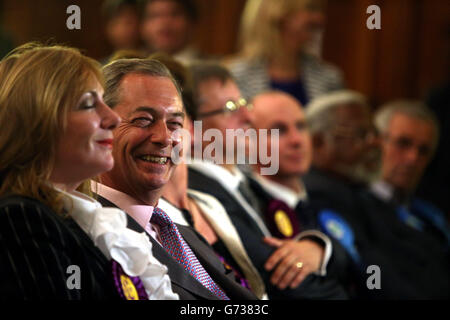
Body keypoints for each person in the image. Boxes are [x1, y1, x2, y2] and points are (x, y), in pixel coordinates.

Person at [0, 43, 178, 300]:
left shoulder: (79, 218)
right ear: (37, 120)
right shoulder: (21, 218)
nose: (113, 119)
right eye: (88, 104)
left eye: (104, 102)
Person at [96, 57, 256, 300]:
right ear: (99, 127)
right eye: (143, 120)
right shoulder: (84, 230)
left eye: (174, 123)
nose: (165, 137)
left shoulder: (179, 231)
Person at [186, 61, 348, 299]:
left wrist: (318, 249)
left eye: (244, 103)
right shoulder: (197, 194)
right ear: (191, 126)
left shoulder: (248, 186)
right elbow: (284, 284)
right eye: (231, 108)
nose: (248, 116)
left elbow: (348, 257)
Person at [303, 91, 449, 299]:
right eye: (362, 135)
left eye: (374, 135)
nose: (374, 144)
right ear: (319, 142)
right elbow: (370, 270)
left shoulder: (353, 192)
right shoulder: (321, 195)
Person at [226, 0, 344, 106]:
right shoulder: (236, 77)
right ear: (279, 12)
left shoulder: (329, 78)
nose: (319, 18)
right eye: (310, 8)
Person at [372, 100, 450, 247]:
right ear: (376, 141)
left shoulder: (432, 219)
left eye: (424, 151)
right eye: (403, 143)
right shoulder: (348, 204)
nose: (413, 158)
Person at [140, 0, 202, 64]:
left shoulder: (210, 69)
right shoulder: (133, 67)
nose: (165, 22)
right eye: (155, 15)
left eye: (174, 14)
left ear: (192, 22)